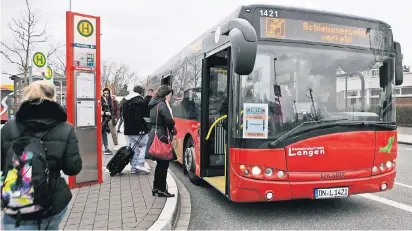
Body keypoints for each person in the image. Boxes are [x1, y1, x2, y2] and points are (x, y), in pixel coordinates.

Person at [1, 80, 82, 230]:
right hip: (51, 202)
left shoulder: (9, 128)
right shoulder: (65, 129)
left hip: (16, 202)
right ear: (53, 97)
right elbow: (73, 168)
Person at [146, 85, 177, 197]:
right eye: (170, 95)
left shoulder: (154, 103)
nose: (170, 97)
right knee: (164, 163)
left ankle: (156, 188)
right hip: (161, 135)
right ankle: (162, 189)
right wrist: (172, 127)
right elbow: (169, 120)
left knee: (160, 164)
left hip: (154, 133)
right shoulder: (162, 104)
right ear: (166, 94)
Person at [123, 86, 151, 174]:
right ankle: (140, 163)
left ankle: (133, 167)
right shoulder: (139, 102)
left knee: (133, 148)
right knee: (145, 144)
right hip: (138, 129)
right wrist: (143, 128)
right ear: (141, 93)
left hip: (128, 129)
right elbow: (139, 117)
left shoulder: (125, 100)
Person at [101, 88, 119, 154]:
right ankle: (104, 146)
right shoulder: (102, 100)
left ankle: (116, 144)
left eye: (107, 93)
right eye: (105, 93)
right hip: (104, 119)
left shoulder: (113, 100)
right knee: (103, 132)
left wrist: (117, 117)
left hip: (111, 118)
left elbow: (117, 109)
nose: (106, 94)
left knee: (113, 132)